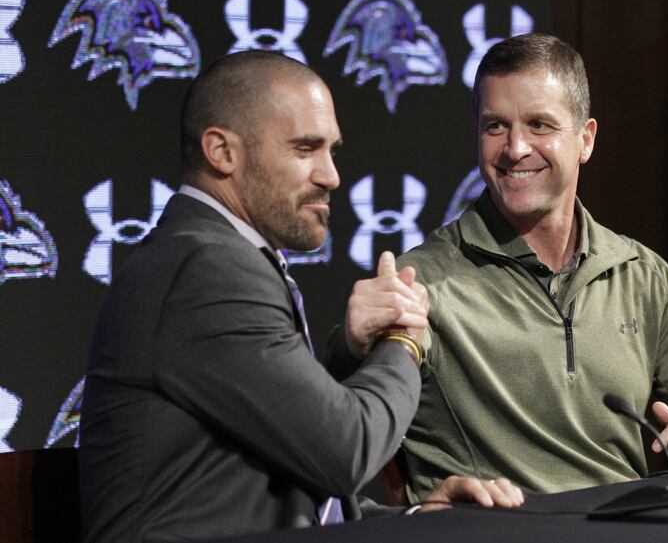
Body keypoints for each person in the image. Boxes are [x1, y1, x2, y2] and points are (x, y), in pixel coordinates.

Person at [79, 51, 522, 543]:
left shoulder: (219, 259)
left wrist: (417, 517)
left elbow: (289, 488)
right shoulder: (204, 270)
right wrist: (403, 341)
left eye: (332, 150)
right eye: (305, 148)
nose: (331, 176)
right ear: (222, 152)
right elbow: (345, 452)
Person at [373, 33, 668, 502]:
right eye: (495, 127)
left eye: (540, 125)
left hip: (629, 531)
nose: (516, 147)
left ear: (585, 140)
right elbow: (341, 422)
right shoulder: (419, 283)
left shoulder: (639, 273)